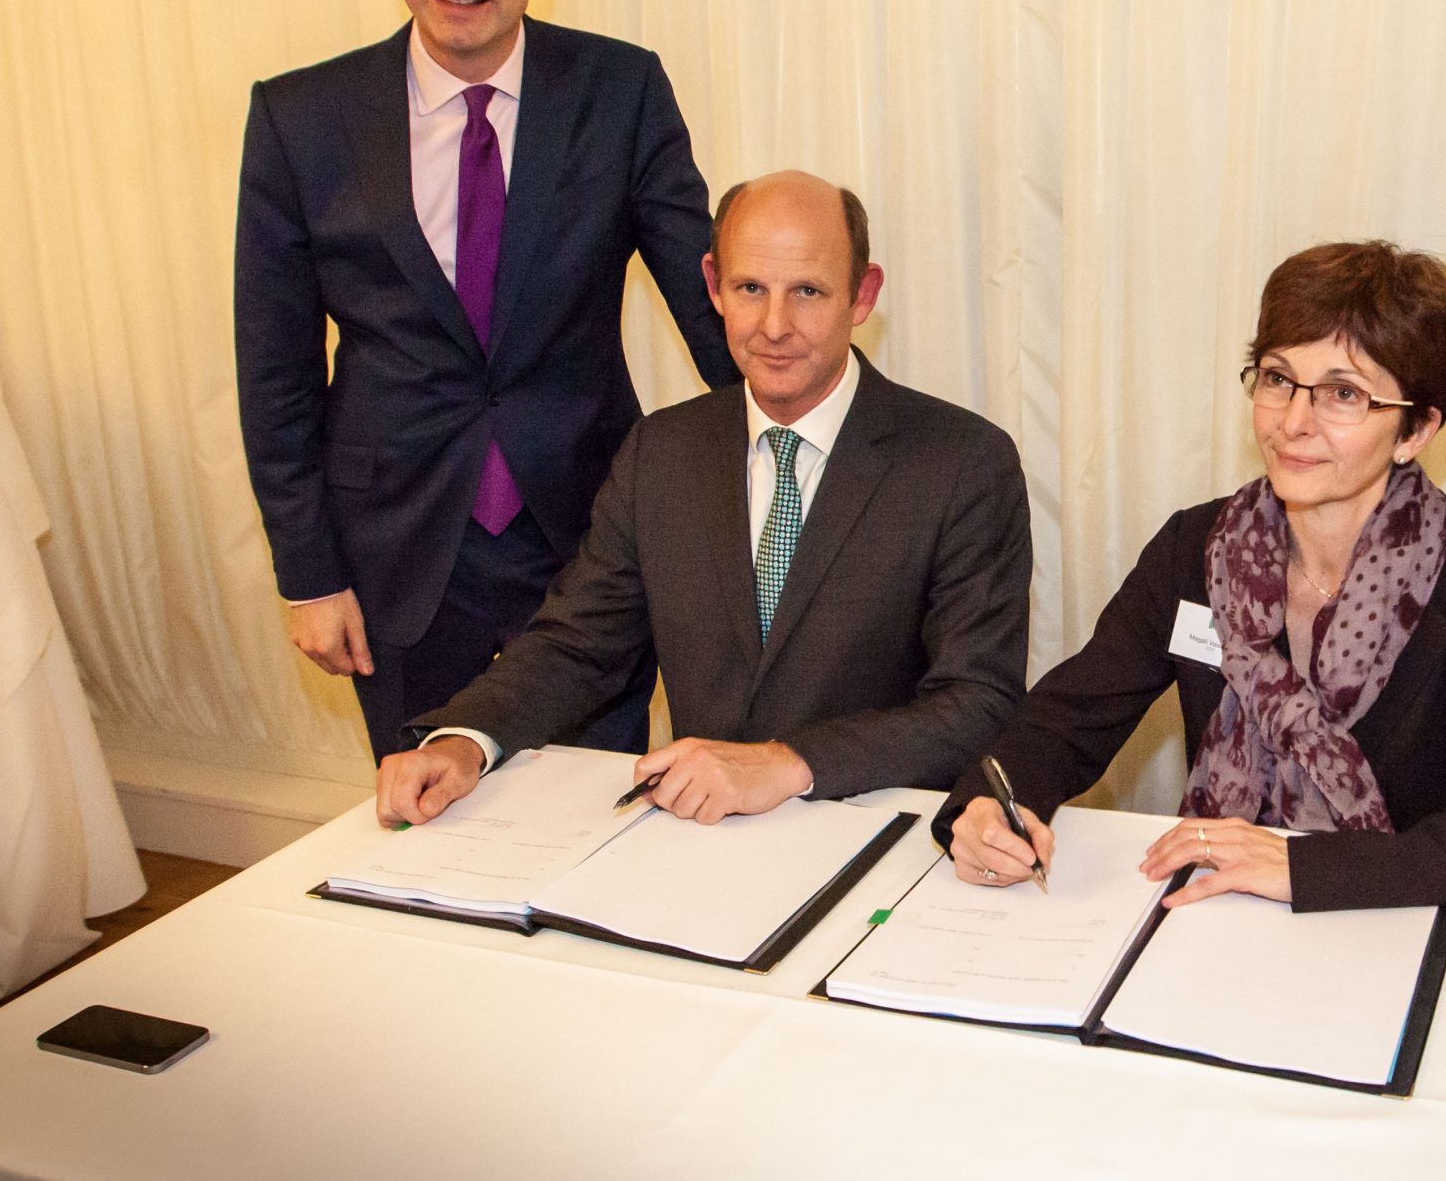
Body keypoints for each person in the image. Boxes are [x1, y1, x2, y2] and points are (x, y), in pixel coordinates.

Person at [236, 0, 736, 758]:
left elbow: (709, 302)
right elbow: (275, 371)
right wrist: (308, 572)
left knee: (601, 819)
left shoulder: (620, 92)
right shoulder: (300, 117)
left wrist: (805, 459)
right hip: (398, 557)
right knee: (434, 824)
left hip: (589, 542)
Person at [941, 241, 1446, 912]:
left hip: (1381, 928)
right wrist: (990, 805)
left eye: (1343, 394)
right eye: (1278, 378)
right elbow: (1066, 719)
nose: (1292, 421)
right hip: (1207, 914)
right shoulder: (1196, 550)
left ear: (1416, 429)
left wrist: (1303, 863)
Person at [376, 170, 1031, 826]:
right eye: (750, 288)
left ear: (863, 295)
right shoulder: (660, 451)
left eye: (807, 290)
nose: (774, 325)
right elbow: (578, 643)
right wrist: (465, 738)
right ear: (714, 285)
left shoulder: (963, 463)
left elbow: (976, 702)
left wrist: (787, 761)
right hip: (695, 840)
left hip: (873, 837)